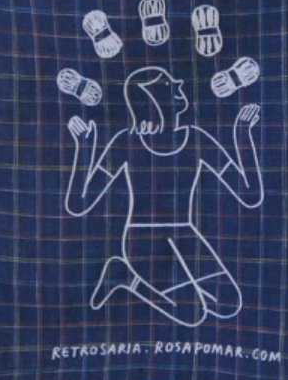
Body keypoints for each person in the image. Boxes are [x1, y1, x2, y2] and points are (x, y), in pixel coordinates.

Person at [64, 66, 263, 326]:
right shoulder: (127, 142)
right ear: (150, 98)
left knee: (229, 306)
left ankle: (132, 278)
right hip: (141, 237)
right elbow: (78, 204)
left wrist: (243, 136)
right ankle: (122, 275)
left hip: (186, 232)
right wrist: (84, 148)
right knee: (193, 316)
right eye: (169, 84)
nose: (179, 85)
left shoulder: (196, 138)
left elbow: (249, 195)